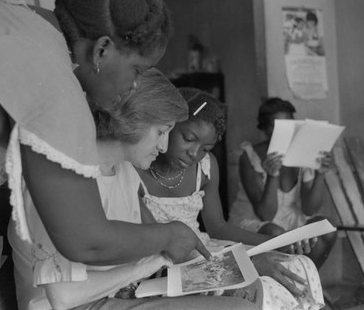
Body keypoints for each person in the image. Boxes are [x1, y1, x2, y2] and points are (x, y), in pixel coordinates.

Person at [0, 0, 208, 308]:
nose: (134, 85)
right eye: (137, 69)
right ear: (101, 50)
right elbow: (86, 242)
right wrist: (171, 235)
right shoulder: (56, 91)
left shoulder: (6, 16)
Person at [9, 68, 256, 310]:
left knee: (243, 302)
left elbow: (151, 245)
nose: (163, 145)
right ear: (135, 120)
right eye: (161, 131)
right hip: (78, 305)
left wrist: (221, 274)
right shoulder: (61, 177)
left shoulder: (126, 172)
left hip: (121, 296)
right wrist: (156, 259)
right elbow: (64, 297)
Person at [137, 88, 325, 309]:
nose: (194, 153)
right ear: (167, 127)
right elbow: (163, 249)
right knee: (259, 285)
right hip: (169, 260)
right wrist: (246, 263)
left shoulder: (206, 167)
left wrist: (279, 245)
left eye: (206, 148)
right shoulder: (136, 171)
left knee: (296, 264)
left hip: (204, 248)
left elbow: (218, 227)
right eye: (188, 139)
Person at [228, 97, 337, 269]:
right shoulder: (250, 156)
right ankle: (286, 285)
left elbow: (310, 209)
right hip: (256, 221)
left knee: (327, 228)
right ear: (264, 128)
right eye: (277, 126)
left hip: (292, 219)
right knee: (276, 233)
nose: (285, 132)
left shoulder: (302, 154)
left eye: (289, 126)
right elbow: (265, 215)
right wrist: (273, 175)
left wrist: (320, 175)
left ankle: (302, 281)